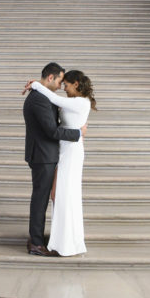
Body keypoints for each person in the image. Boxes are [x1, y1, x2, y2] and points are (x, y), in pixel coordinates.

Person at [24, 70, 96, 257]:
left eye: (66, 84)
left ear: (76, 85)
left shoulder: (80, 102)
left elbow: (55, 100)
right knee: (58, 194)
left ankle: (65, 243)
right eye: (61, 83)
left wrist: (36, 84)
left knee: (65, 195)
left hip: (71, 151)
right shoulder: (73, 101)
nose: (63, 87)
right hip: (62, 150)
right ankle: (59, 237)